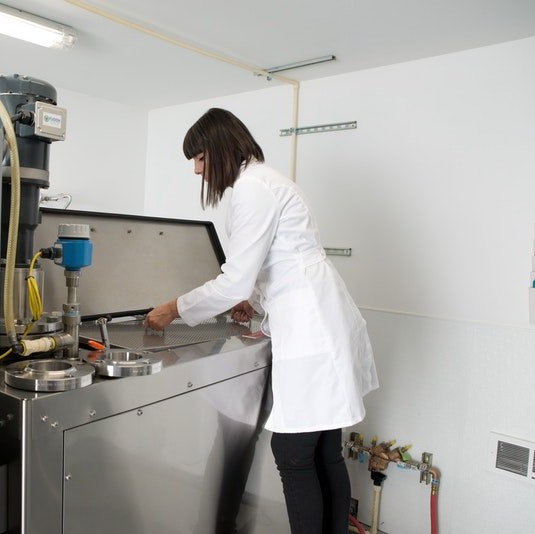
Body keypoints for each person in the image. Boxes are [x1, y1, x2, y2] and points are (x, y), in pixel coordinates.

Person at [144, 108, 379, 534]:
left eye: (199, 158)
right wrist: (252, 300)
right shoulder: (267, 181)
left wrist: (173, 308)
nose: (197, 170)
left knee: (293, 454)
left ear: (217, 148)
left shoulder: (252, 188)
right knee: (325, 451)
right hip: (320, 318)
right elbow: (277, 262)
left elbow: (235, 278)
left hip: (311, 327)